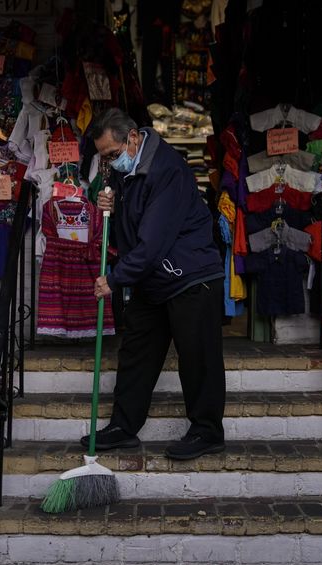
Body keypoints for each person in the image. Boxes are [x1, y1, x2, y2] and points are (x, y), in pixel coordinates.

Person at [83, 107, 226, 460]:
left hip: (190, 275)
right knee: (136, 352)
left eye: (113, 155)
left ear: (132, 139)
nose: (109, 163)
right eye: (103, 157)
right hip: (152, 277)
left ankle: (207, 431)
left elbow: (153, 241)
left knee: (198, 357)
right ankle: (123, 426)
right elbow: (132, 226)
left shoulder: (166, 170)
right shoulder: (126, 170)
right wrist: (111, 205)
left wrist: (114, 280)